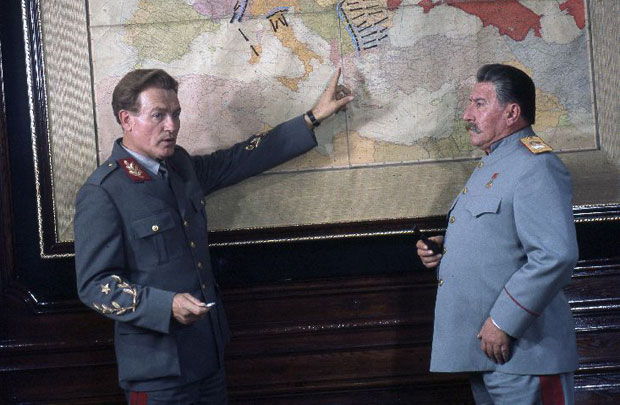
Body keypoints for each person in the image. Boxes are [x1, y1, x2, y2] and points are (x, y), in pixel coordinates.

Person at [74, 68, 353, 404]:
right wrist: (166, 306)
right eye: (158, 115)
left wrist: (313, 117)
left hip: (208, 356)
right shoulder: (103, 192)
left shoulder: (179, 165)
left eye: (176, 114)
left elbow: (238, 160)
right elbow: (94, 285)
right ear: (126, 120)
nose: (172, 126)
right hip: (158, 371)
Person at [416, 64, 579, 404]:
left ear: (511, 113)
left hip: (526, 354)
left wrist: (504, 322)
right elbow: (500, 238)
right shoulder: (493, 164)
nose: (467, 115)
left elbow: (555, 255)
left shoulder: (537, 165)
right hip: (487, 355)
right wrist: (445, 250)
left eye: (479, 104)